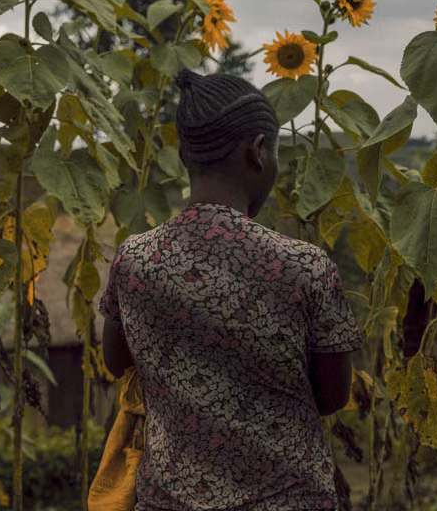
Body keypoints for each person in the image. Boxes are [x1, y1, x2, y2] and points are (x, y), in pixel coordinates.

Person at [100, 69, 364, 510]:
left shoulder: (134, 260)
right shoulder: (305, 267)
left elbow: (116, 361)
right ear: (258, 151)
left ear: (184, 154)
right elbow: (333, 397)